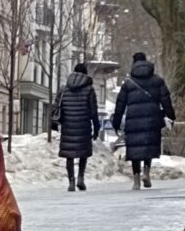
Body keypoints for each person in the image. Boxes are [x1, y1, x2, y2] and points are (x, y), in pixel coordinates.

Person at [112, 52, 176, 190]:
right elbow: (166, 100)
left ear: (134, 64)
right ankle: (146, 172)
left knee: (135, 149)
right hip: (152, 118)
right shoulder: (157, 81)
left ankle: (136, 180)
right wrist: (171, 116)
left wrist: (116, 123)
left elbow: (120, 104)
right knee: (148, 146)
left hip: (133, 120)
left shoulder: (128, 83)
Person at [54, 62, 100, 192]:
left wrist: (57, 123)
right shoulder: (89, 89)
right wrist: (96, 127)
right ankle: (81, 178)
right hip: (83, 125)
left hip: (68, 125)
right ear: (85, 74)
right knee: (83, 153)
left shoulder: (63, 89)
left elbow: (57, 106)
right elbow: (93, 111)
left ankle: (71, 182)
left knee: (70, 155)